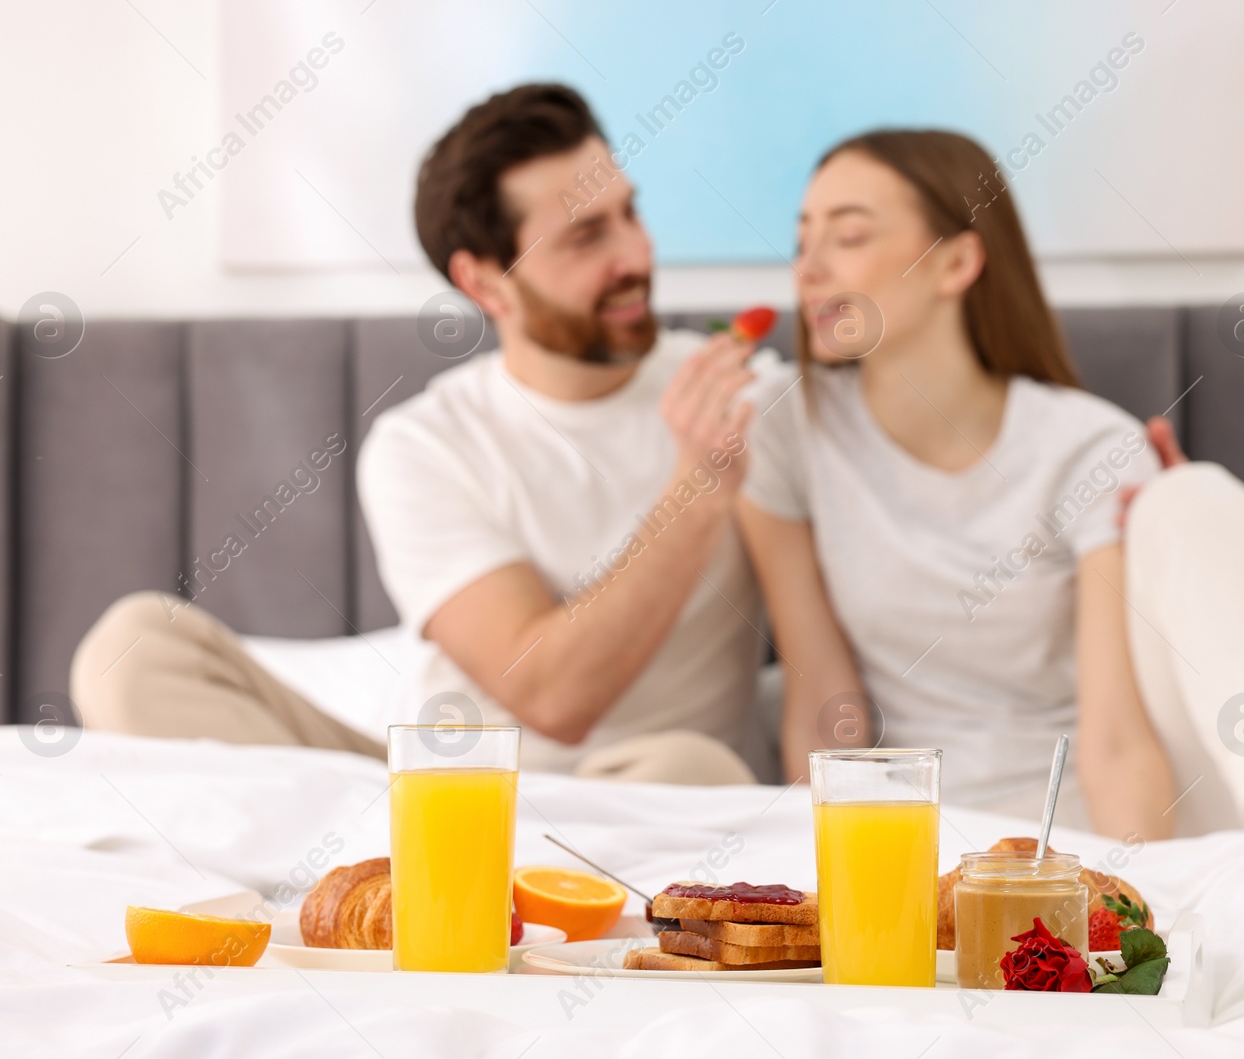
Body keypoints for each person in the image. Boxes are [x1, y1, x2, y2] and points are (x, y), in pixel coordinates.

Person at [72, 84, 767, 785]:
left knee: (695, 767)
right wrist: (697, 489)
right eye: (588, 236)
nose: (636, 256)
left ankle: (433, 880)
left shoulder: (742, 394)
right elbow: (553, 697)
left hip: (631, 799)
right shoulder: (424, 445)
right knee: (130, 651)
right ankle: (394, 867)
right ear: (486, 282)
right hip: (439, 796)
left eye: (629, 213)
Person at [740, 129, 1244, 837]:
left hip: (1090, 819)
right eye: (800, 239)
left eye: (847, 236)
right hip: (922, 833)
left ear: (957, 261)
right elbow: (822, 709)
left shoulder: (1088, 448)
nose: (807, 268)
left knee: (1190, 494)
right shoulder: (787, 430)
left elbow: (1118, 743)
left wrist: (1119, 917)